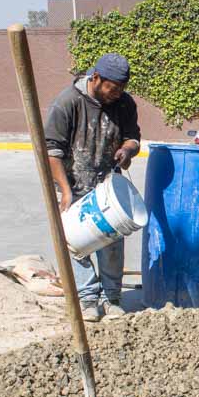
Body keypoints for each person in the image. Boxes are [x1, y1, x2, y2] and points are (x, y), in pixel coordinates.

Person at [45, 53, 141, 322]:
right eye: (112, 89)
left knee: (111, 242)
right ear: (96, 78)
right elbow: (51, 152)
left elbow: (133, 137)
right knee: (75, 242)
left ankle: (112, 298)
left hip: (106, 186)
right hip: (72, 184)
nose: (117, 94)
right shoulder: (68, 103)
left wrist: (126, 150)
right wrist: (64, 190)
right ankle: (87, 299)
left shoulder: (124, 103)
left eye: (121, 89)